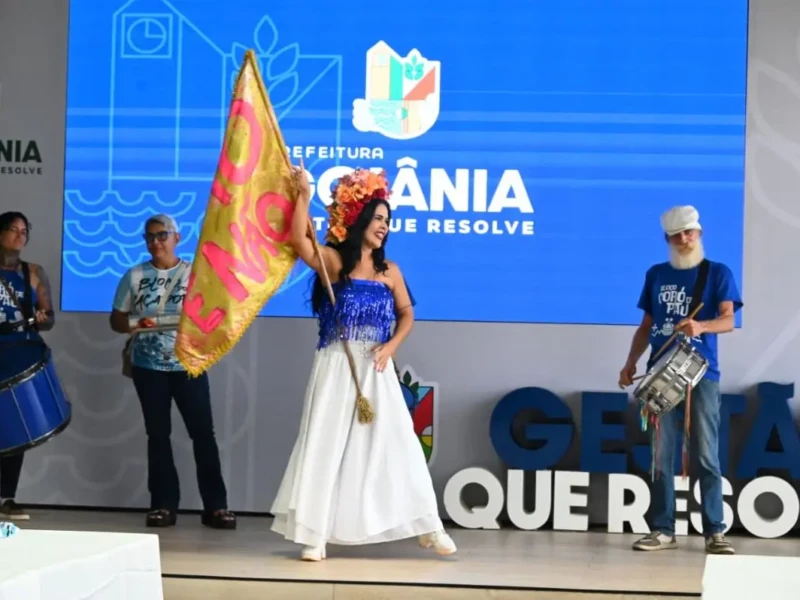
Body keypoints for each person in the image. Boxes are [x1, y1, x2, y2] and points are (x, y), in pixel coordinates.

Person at [270, 164, 457, 561]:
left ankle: (428, 526)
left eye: (387, 221)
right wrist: (303, 195)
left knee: (398, 444)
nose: (384, 226)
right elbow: (299, 241)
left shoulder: (390, 272)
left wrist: (391, 347)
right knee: (325, 445)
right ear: (358, 219)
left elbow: (407, 315)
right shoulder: (336, 263)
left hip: (377, 367)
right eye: (377, 218)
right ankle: (315, 534)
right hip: (337, 364)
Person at [618, 205, 742, 555]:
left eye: (689, 232)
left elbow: (728, 320)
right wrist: (630, 362)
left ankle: (715, 531)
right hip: (659, 372)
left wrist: (701, 326)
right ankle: (663, 529)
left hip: (701, 373)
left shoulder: (717, 272)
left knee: (706, 455)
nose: (684, 239)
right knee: (661, 455)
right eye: (677, 235)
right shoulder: (656, 274)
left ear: (699, 233)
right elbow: (646, 326)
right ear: (667, 239)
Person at [109, 214, 236, 530]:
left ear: (177, 237)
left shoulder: (196, 273)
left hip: (188, 364)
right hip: (148, 365)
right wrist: (140, 323)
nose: (156, 242)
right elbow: (116, 320)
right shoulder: (134, 275)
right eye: (150, 237)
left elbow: (215, 314)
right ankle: (163, 505)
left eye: (162, 235)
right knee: (157, 435)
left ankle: (216, 507)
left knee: (203, 434)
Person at [0, 211, 56, 521]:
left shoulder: (33, 272)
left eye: (25, 231)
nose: (20, 235)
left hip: (19, 352)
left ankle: (6, 497)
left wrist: (42, 318)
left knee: (14, 427)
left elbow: (48, 319)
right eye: (13, 229)